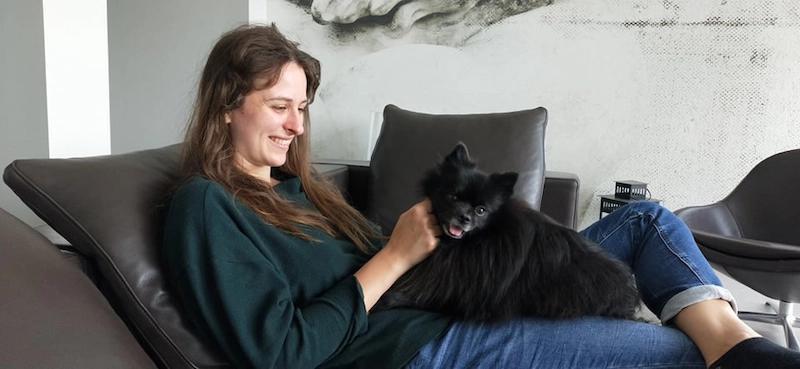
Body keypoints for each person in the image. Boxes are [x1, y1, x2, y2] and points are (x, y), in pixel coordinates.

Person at [161, 24, 800, 369]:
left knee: (646, 219)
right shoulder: (207, 208)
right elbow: (282, 353)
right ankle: (733, 347)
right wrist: (396, 256)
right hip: (423, 347)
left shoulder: (301, 191)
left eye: (301, 108)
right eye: (279, 107)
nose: (298, 126)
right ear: (224, 105)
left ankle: (730, 335)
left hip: (460, 300)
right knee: (680, 354)